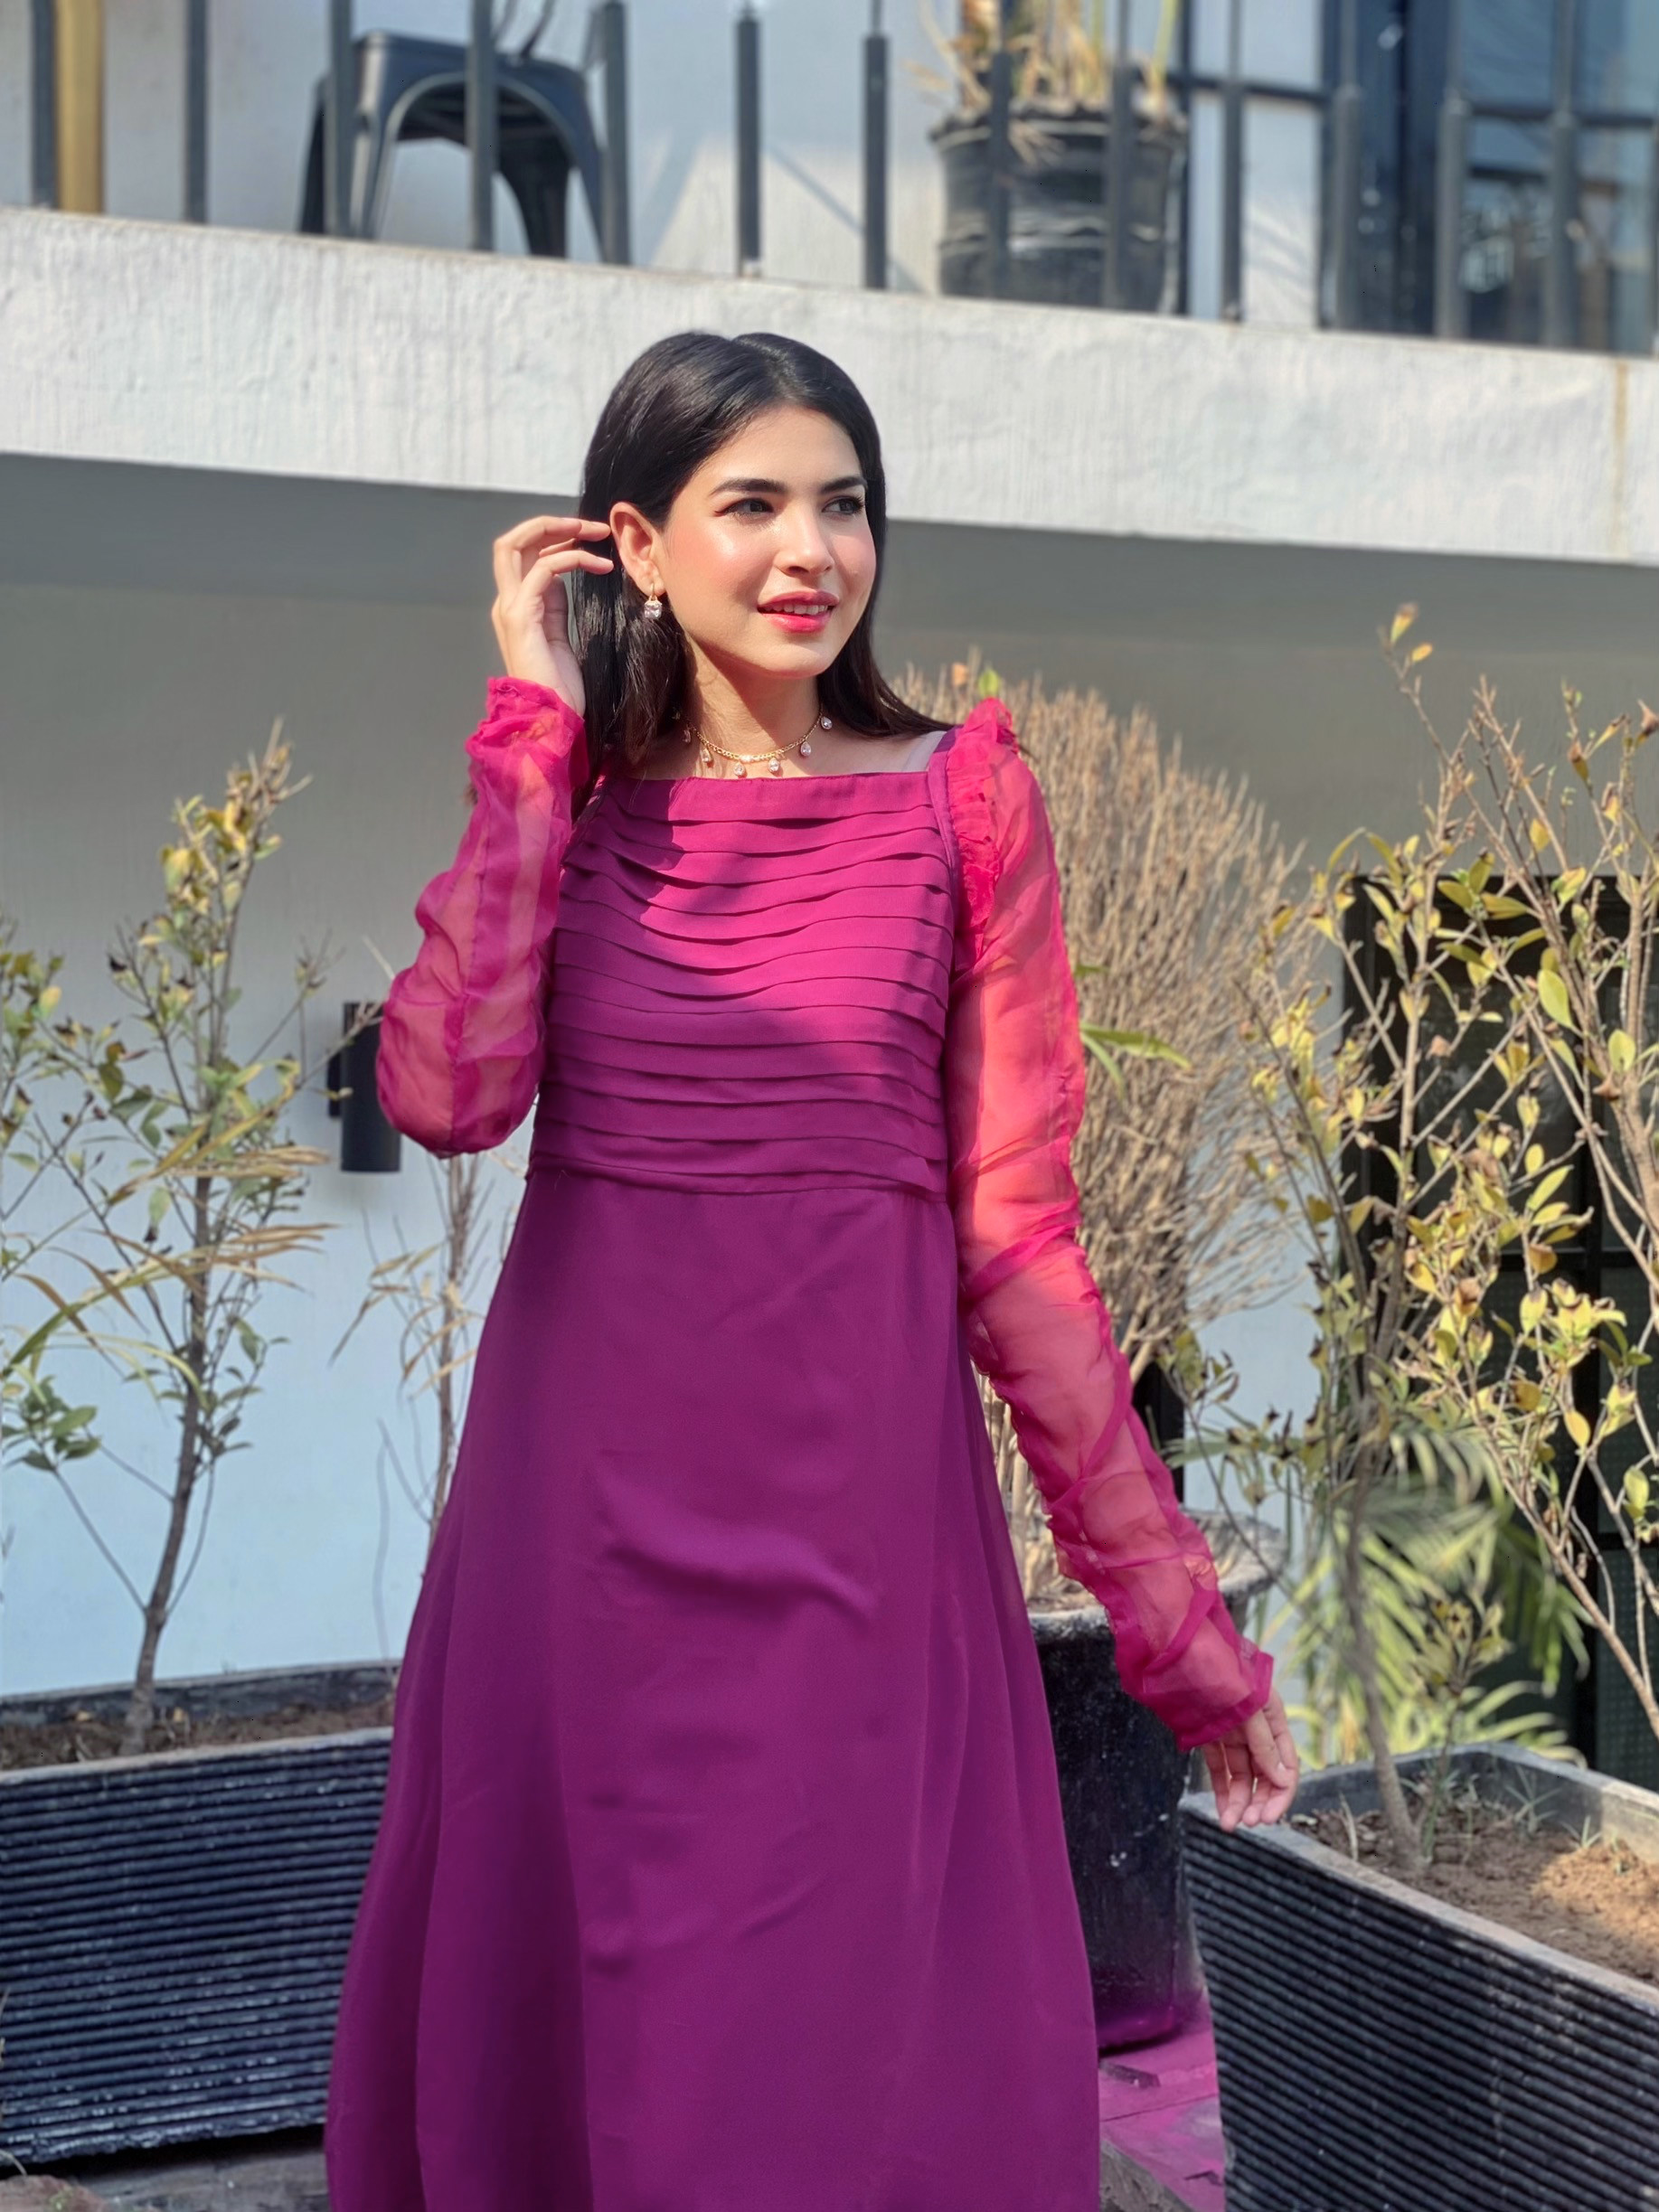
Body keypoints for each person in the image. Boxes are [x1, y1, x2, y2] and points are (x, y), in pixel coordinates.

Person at [323, 328, 1297, 2212]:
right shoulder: (570, 802)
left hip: (861, 1546)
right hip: (579, 1541)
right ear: (635, 543)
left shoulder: (963, 806)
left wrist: (1174, 1623)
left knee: (822, 2053)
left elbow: (1019, 1246)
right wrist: (528, 735)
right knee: (593, 2031)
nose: (810, 551)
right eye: (752, 504)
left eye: (843, 505)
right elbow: (445, 1095)